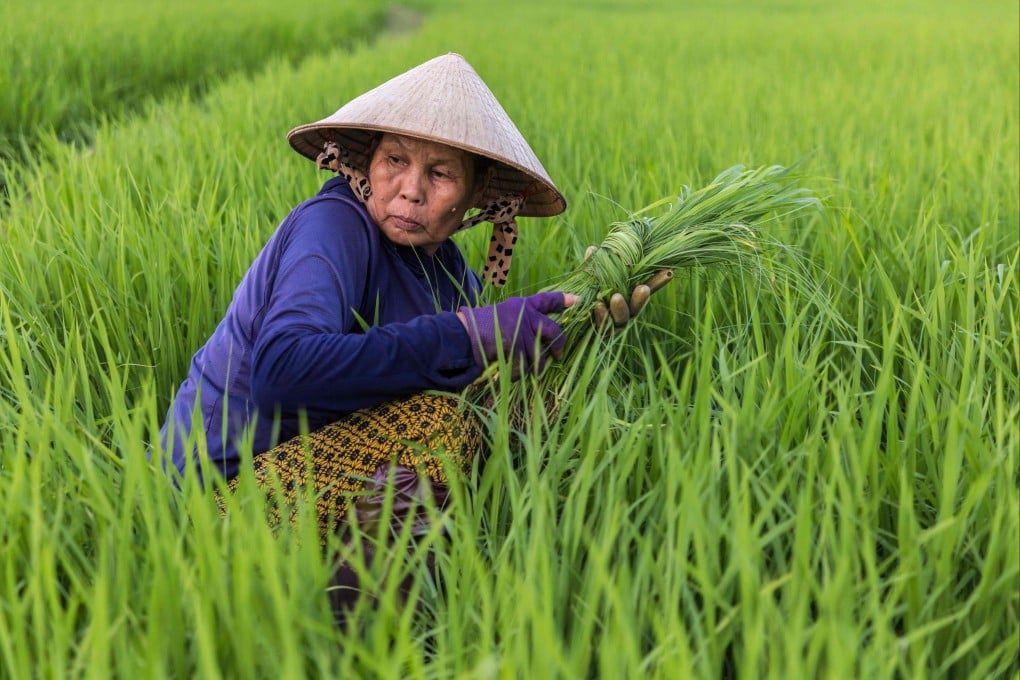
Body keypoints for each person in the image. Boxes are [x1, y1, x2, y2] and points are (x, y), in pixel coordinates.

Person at [158, 53, 656, 620]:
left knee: (526, 409)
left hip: (313, 466)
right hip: (220, 496)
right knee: (434, 427)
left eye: (440, 174)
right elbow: (282, 371)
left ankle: (447, 596)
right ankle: (355, 635)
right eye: (395, 160)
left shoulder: (444, 269)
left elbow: (480, 387)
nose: (410, 191)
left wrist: (578, 328)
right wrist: (469, 334)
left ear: (477, 194)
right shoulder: (335, 225)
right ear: (368, 162)